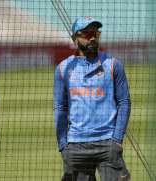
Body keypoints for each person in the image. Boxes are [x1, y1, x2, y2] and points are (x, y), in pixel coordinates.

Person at [53, 16, 131, 181]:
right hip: (76, 145)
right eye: (87, 34)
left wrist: (117, 139)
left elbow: (124, 103)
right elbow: (60, 108)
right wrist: (63, 145)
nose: (93, 38)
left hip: (107, 143)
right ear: (75, 38)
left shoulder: (113, 64)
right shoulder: (63, 68)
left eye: (96, 33)